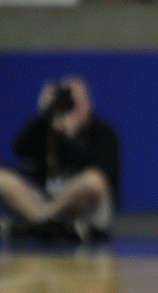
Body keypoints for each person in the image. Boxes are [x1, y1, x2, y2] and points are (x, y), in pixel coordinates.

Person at [0, 77, 119, 244]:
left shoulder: (103, 132)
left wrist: (69, 139)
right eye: (67, 101)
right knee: (3, 179)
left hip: (79, 205)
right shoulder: (49, 125)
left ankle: (42, 221)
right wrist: (41, 115)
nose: (73, 108)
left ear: (88, 104)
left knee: (94, 180)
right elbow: (18, 148)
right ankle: (47, 222)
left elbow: (104, 179)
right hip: (46, 198)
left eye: (77, 102)